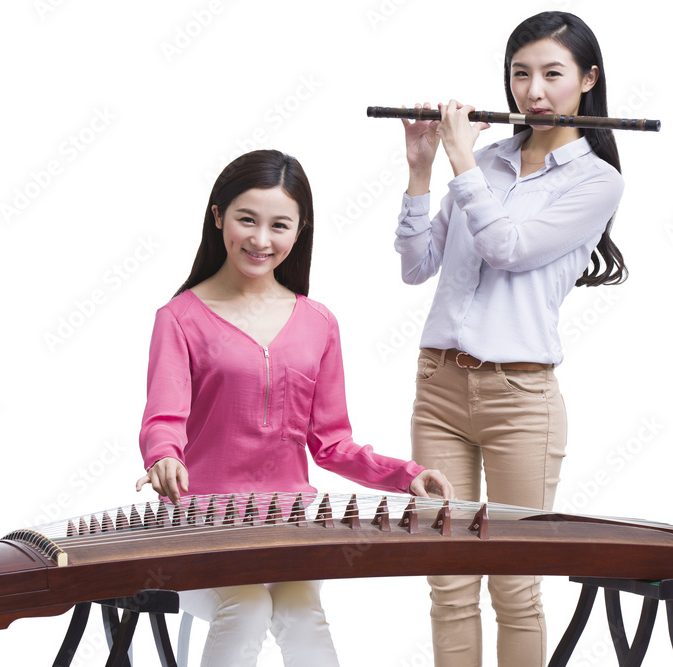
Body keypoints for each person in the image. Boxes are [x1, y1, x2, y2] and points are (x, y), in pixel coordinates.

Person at [135, 149, 454, 667]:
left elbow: (332, 444)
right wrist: (163, 458)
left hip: (290, 525)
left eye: (279, 225)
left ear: (299, 230)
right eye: (246, 220)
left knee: (303, 613)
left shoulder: (317, 322)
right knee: (246, 605)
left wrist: (406, 475)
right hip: (202, 523)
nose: (261, 240)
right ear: (218, 216)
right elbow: (163, 421)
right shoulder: (179, 318)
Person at [392, 11, 627, 667]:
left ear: (587, 79)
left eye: (553, 73)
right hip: (437, 388)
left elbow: (508, 249)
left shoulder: (596, 181)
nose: (534, 91)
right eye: (521, 74)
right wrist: (420, 169)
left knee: (514, 582)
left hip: (520, 398)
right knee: (448, 578)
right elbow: (416, 266)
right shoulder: (489, 160)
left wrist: (460, 159)